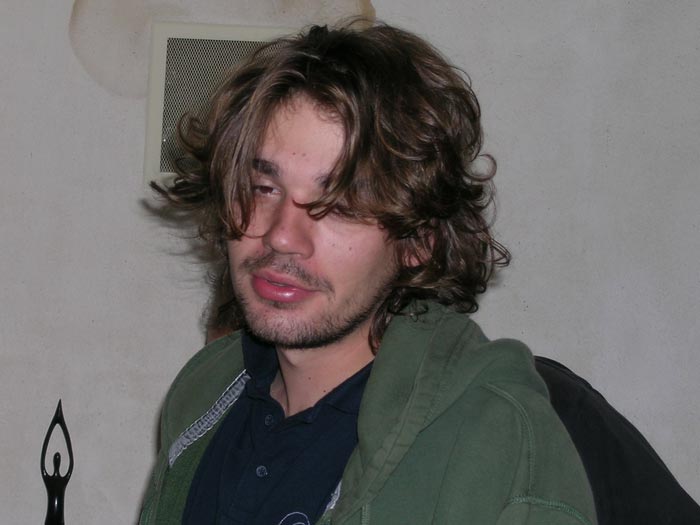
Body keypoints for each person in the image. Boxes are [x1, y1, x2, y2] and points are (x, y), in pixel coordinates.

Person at [140, 20, 596, 525]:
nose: (282, 236)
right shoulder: (204, 392)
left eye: (341, 205)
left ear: (419, 241)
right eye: (262, 188)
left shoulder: (497, 448)